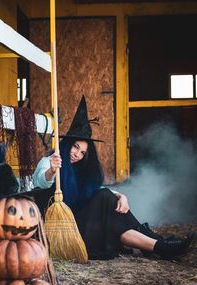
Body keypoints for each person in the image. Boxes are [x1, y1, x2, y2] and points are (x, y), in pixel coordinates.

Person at [33, 95, 195, 261]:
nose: (77, 154)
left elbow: (94, 189)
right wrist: (52, 170)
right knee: (106, 204)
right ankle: (160, 244)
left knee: (109, 208)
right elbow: (40, 182)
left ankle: (159, 246)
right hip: (63, 229)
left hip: (83, 224)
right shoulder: (48, 162)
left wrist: (120, 195)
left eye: (82, 152)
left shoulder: (78, 168)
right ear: (67, 144)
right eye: (75, 147)